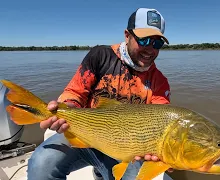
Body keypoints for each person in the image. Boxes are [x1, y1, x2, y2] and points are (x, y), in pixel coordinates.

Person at [27, 7, 172, 180]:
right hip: (84, 133)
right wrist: (65, 109)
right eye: (144, 40)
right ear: (127, 35)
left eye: (157, 43)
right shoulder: (101, 56)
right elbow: (75, 93)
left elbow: (162, 122)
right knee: (42, 163)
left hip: (127, 148)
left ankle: (101, 172)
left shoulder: (160, 81)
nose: (150, 49)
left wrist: (167, 155)